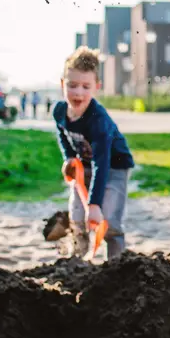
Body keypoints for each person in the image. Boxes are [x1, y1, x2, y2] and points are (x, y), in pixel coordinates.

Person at [53, 46, 133, 259]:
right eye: (72, 85)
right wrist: (69, 158)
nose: (78, 92)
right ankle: (77, 261)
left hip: (114, 166)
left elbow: (102, 163)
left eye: (85, 86)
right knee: (77, 216)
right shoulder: (59, 111)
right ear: (62, 84)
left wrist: (95, 204)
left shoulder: (98, 120)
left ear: (96, 87)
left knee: (109, 220)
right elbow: (63, 133)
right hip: (85, 165)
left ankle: (116, 263)